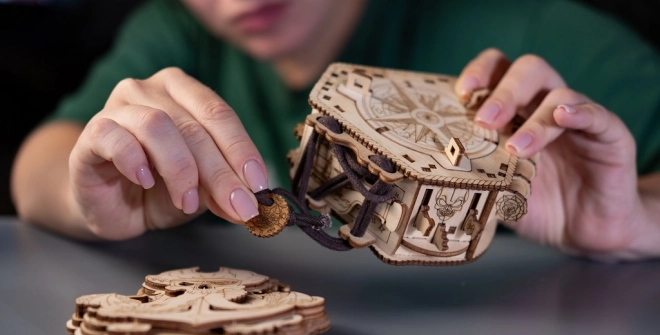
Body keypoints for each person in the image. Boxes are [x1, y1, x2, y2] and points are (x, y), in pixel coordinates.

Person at [10, 0, 660, 261]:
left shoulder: (541, 34)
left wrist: (637, 218)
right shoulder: (174, 32)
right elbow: (40, 159)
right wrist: (86, 194)